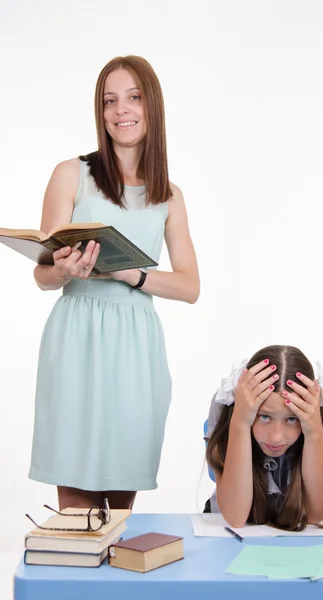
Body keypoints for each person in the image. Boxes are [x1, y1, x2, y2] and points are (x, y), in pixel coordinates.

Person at [29, 55, 200, 510]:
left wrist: (130, 273)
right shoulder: (72, 174)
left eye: (133, 97)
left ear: (151, 106)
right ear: (100, 111)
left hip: (134, 345)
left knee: (121, 514)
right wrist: (62, 269)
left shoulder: (169, 195)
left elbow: (189, 286)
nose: (121, 110)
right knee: (76, 506)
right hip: (76, 336)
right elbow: (41, 273)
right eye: (110, 101)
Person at [204, 345, 323, 530]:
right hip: (223, 532)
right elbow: (235, 517)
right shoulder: (228, 408)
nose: (276, 437)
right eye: (264, 416)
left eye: (291, 419)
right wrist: (240, 423)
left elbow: (315, 514)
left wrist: (314, 432)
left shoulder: (320, 416)